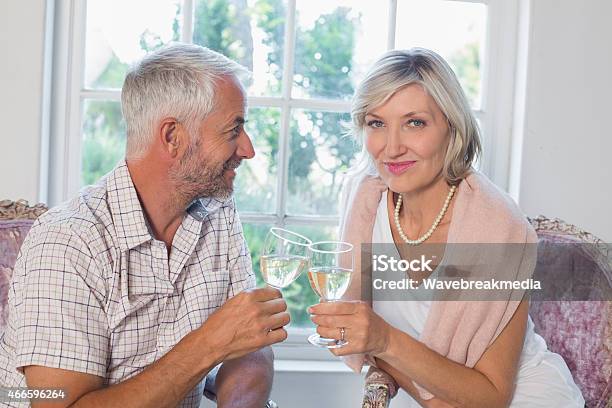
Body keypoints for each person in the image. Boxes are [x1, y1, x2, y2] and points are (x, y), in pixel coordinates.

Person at [0, 43, 289, 407]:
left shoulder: (217, 213)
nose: (248, 149)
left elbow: (250, 344)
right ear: (173, 137)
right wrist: (208, 344)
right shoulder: (68, 242)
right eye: (233, 130)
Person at [309, 48, 584, 407]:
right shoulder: (364, 200)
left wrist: (384, 342)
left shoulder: (499, 229)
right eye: (377, 123)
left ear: (451, 128)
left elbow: (492, 395)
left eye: (415, 123)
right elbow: (360, 330)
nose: (391, 148)